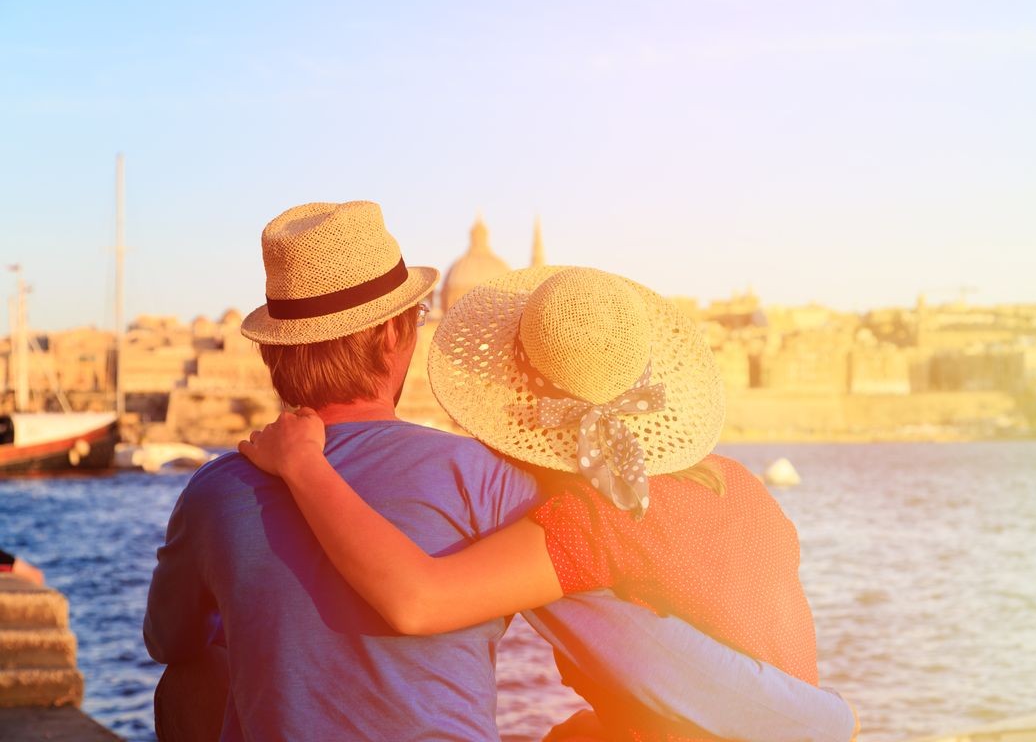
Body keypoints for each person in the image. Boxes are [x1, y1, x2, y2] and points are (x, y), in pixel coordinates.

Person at [145, 202, 856, 742]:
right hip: (776, 713)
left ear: (275, 352)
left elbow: (170, 644)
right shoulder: (506, 483)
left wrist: (293, 499)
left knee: (190, 678)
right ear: (401, 333)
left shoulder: (211, 492)